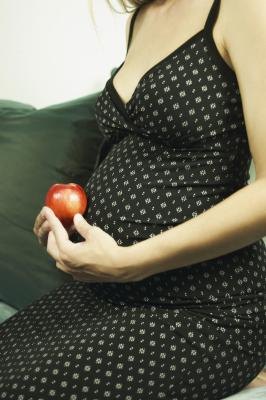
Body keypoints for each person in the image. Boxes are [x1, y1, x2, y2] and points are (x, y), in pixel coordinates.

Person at [1, 0, 266, 399]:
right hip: (109, 292)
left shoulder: (241, 8)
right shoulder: (141, 18)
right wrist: (74, 230)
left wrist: (131, 262)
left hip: (205, 305)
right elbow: (143, 153)